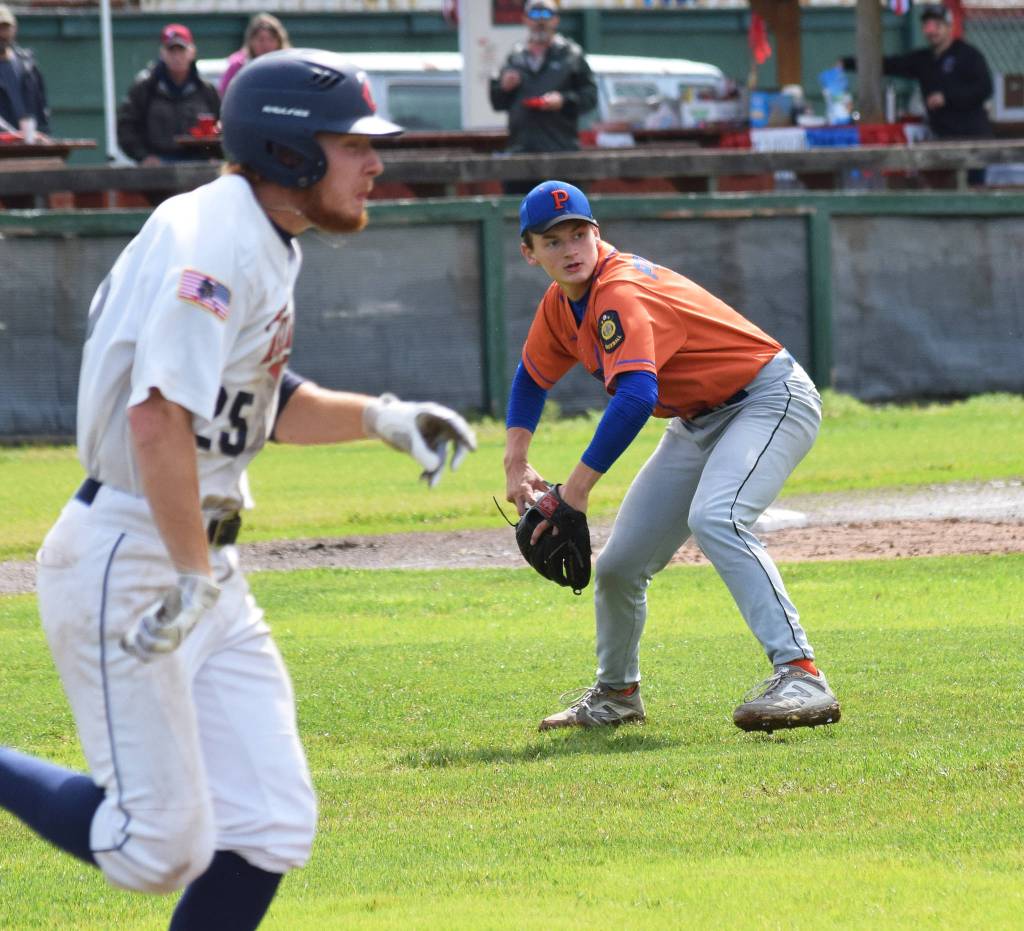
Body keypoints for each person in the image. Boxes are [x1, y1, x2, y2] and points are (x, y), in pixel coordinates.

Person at [0, 48, 476, 931]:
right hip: (140, 556)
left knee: (270, 824)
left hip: (195, 564)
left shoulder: (257, 233)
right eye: (352, 143)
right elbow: (157, 420)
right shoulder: (211, 240)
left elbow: (256, 403)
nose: (375, 163)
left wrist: (383, 417)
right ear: (291, 150)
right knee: (156, 851)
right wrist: (187, 575)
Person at [504, 180, 841, 734]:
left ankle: (801, 673)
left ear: (597, 233)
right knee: (617, 567)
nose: (570, 249)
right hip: (695, 420)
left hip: (766, 397)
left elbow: (635, 396)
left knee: (718, 517)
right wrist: (515, 461)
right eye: (552, 239)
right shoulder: (561, 303)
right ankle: (617, 695)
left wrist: (578, 487)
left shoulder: (619, 292)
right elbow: (531, 376)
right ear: (529, 251)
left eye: (579, 233)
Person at [488, 0, 597, 194]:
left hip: (561, 152)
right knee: (520, 214)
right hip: (521, 152)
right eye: (534, 16)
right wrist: (504, 87)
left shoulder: (571, 55)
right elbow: (498, 102)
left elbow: (590, 97)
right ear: (525, 20)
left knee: (563, 216)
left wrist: (563, 100)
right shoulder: (515, 56)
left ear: (555, 20)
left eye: (546, 16)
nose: (540, 22)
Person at [841, 3, 993, 142]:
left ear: (949, 27)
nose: (932, 31)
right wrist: (848, 63)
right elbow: (891, 64)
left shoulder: (968, 55)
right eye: (927, 26)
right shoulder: (923, 59)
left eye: (937, 26)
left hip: (972, 135)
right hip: (941, 136)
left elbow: (984, 88)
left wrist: (947, 97)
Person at [116, 23, 222, 166]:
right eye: (172, 51)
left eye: (181, 50)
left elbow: (222, 125)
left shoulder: (206, 90)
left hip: (199, 162)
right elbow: (126, 127)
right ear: (162, 53)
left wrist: (214, 155)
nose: (177, 57)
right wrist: (144, 157)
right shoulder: (145, 88)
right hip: (158, 163)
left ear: (192, 52)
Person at [0, 3, 50, 136]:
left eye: (5, 27)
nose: (1, 34)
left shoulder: (28, 64)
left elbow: (40, 106)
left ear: (14, 29)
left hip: (30, 146)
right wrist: (12, 135)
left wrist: (43, 134)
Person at [218, 13, 290, 97]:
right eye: (261, 39)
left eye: (271, 39)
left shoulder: (288, 68)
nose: (266, 44)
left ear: (279, 42)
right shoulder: (238, 67)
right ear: (251, 41)